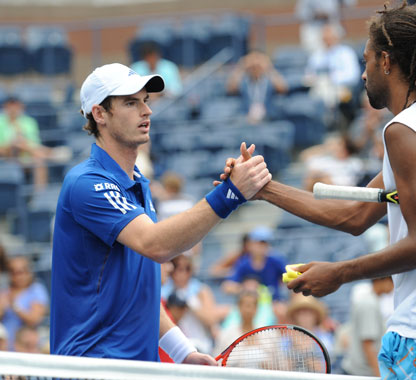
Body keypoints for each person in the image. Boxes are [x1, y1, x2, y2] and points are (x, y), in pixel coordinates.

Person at [220, 4, 416, 378]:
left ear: (386, 61)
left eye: (367, 59)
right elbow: (355, 216)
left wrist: (339, 273)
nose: (363, 72)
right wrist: (263, 188)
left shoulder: (404, 130)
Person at [49, 63, 271, 364]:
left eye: (146, 101)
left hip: (132, 366)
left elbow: (139, 292)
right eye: (131, 102)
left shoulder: (136, 181)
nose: (146, 111)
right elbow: (157, 245)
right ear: (99, 114)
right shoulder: (86, 183)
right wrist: (229, 194)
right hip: (94, 366)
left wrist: (184, 352)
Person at [304, 23, 361, 130]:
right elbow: (309, 75)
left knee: (329, 93)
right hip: (319, 87)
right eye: (325, 38)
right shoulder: (317, 55)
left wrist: (332, 78)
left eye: (330, 37)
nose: (327, 40)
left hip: (343, 88)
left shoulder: (346, 52)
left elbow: (353, 76)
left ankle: (330, 124)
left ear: (337, 37)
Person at [341, 276, 394, 377]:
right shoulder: (369, 304)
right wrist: (380, 375)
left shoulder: (369, 300)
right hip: (360, 373)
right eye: (391, 281)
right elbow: (368, 344)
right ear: (382, 280)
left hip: (359, 372)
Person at [0, 256, 49, 351]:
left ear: (28, 272)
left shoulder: (36, 290)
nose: (17, 276)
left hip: (26, 349)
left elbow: (35, 319)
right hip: (5, 349)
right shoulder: (4, 291)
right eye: (12, 272)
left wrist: (14, 307)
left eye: (20, 272)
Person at [226, 50, 288, 124]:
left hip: (268, 117)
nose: (255, 66)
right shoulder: (244, 81)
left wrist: (269, 67)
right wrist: (241, 67)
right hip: (246, 117)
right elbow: (230, 88)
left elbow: (283, 88)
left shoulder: (269, 80)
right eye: (253, 65)